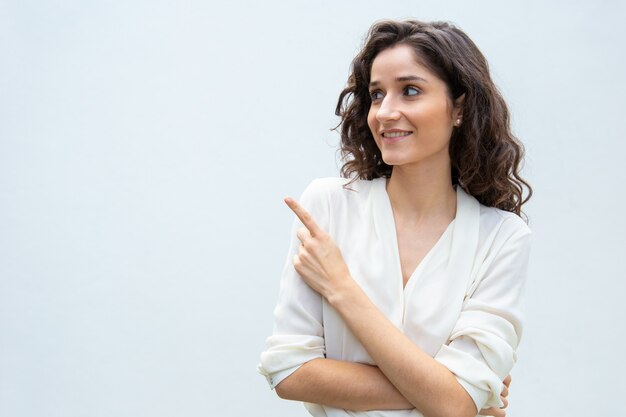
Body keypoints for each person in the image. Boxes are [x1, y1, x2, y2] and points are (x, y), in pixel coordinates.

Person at [258, 19, 532, 417]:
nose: (386, 112)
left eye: (410, 91)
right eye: (376, 94)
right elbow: (288, 372)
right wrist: (459, 393)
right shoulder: (327, 207)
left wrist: (342, 290)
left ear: (459, 107)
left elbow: (456, 404)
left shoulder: (503, 236)